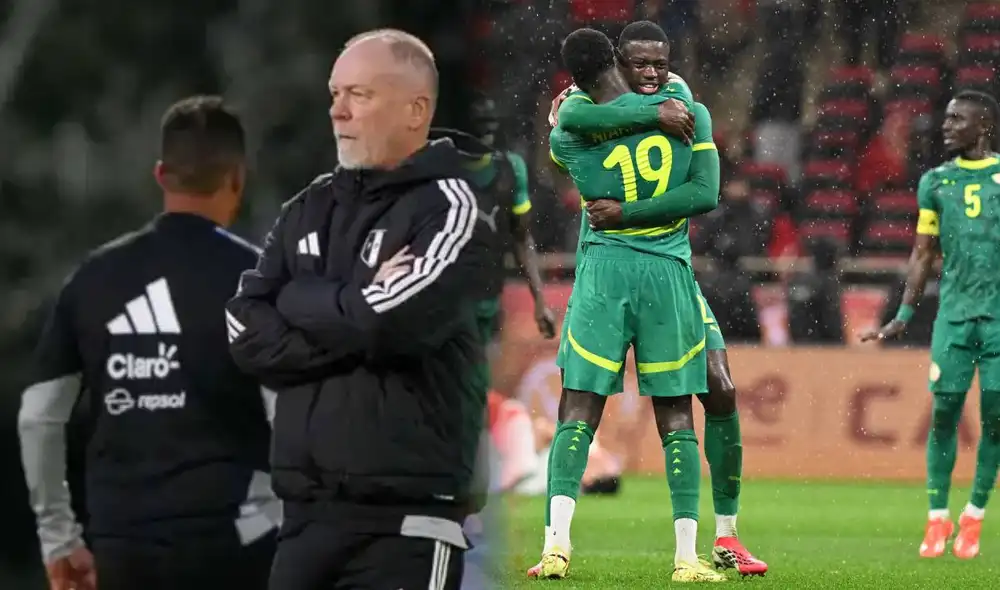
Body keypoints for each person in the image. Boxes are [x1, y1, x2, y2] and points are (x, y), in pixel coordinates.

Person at [225, 29, 493, 590]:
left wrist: (297, 299)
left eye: (359, 95)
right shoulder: (308, 206)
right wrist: (352, 312)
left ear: (416, 110)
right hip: (303, 520)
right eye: (334, 94)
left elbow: (389, 321)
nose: (338, 112)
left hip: (405, 528)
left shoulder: (451, 207)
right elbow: (243, 326)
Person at [17, 96, 278, 590]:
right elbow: (293, 415)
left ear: (161, 175)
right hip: (237, 548)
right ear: (237, 178)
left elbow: (38, 416)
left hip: (122, 550)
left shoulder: (93, 278)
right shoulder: (258, 280)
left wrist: (59, 540)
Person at [546, 20, 768, 576]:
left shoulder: (683, 103)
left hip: (676, 273)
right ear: (617, 61)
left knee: (721, 390)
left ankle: (728, 536)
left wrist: (626, 211)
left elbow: (706, 193)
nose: (650, 73)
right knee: (630, 405)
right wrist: (651, 112)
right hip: (621, 271)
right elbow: (574, 116)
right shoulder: (597, 112)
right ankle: (561, 541)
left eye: (659, 64)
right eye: (638, 64)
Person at [862, 90, 1000, 560]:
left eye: (956, 119)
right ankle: (938, 517)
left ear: (982, 127)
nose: (945, 126)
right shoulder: (935, 183)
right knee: (944, 413)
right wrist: (902, 314)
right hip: (955, 319)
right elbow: (923, 251)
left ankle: (975, 516)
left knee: (996, 421)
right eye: (946, 117)